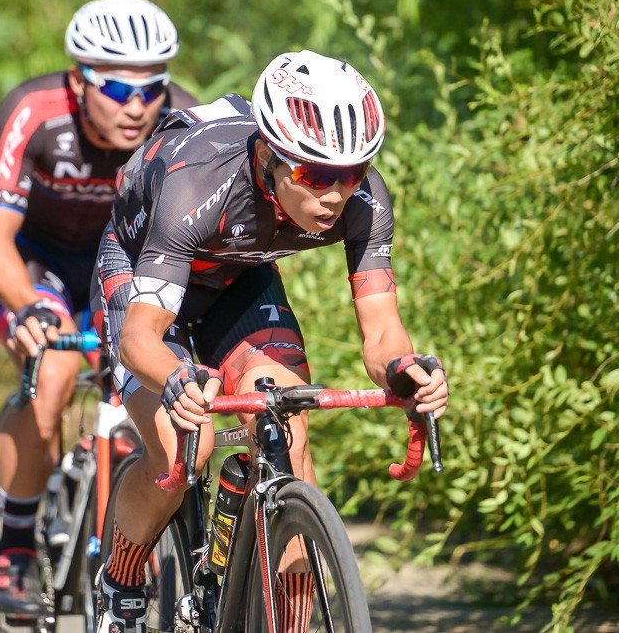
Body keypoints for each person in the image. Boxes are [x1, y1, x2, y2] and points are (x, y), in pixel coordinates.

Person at [89, 49, 449, 632]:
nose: (336, 193)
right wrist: (179, 379)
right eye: (314, 174)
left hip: (237, 276)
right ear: (268, 156)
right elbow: (141, 339)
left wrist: (405, 371)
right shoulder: (197, 188)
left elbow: (382, 330)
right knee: (188, 446)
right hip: (141, 276)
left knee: (289, 430)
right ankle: (122, 580)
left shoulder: (364, 198)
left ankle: (291, 620)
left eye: (352, 173)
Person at [0, 0, 197, 615]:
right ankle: (15, 541)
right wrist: (31, 308)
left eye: (152, 89)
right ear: (78, 81)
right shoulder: (35, 110)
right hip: (38, 261)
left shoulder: (181, 118)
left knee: (140, 382)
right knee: (54, 371)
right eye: (119, 91)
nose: (139, 106)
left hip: (118, 266)